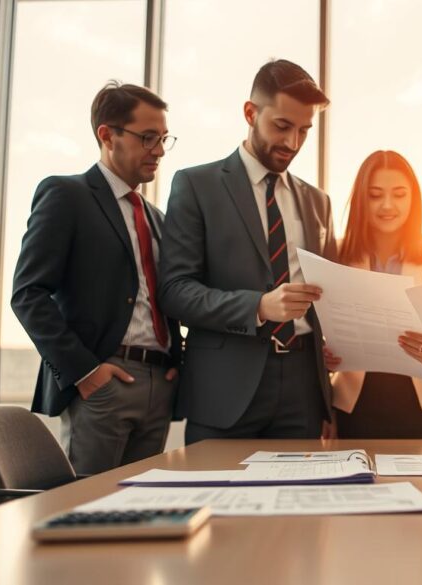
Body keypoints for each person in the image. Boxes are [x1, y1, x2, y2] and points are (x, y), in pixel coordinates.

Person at [158, 59, 337, 443]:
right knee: (218, 500)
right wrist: (258, 307)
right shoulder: (196, 185)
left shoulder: (318, 202)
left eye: (304, 130)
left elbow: (332, 294)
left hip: (304, 389)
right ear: (250, 113)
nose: (293, 143)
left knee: (297, 502)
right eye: (282, 126)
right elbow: (175, 291)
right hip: (225, 387)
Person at [11, 81, 182, 475]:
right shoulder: (66, 195)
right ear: (107, 135)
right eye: (148, 138)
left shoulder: (156, 219)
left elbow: (164, 296)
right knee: (89, 511)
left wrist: (176, 362)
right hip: (104, 381)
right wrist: (86, 374)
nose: (158, 151)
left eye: (164, 139)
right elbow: (27, 294)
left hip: (159, 384)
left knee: (145, 509)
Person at [324, 151, 422, 438]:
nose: (388, 205)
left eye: (400, 194)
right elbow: (317, 327)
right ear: (360, 201)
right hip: (355, 407)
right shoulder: (334, 254)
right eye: (375, 195)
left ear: (413, 199)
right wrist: (324, 357)